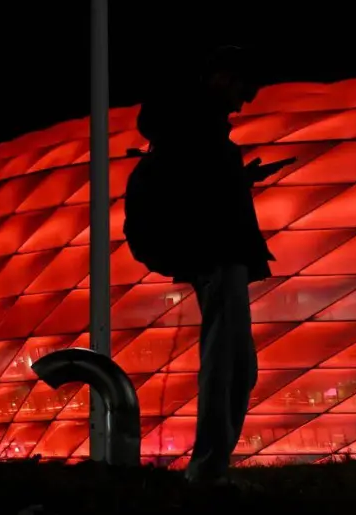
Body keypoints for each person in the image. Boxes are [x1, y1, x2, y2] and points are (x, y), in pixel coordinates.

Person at [130, 46, 291, 485]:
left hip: (222, 252)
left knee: (237, 363)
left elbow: (200, 187)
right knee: (227, 362)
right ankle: (207, 470)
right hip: (217, 253)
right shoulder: (194, 131)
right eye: (244, 89)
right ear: (221, 77)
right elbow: (195, 193)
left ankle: (211, 465)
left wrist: (242, 178)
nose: (245, 102)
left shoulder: (199, 133)